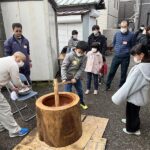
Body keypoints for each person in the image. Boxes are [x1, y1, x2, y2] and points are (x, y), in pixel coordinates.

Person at [112, 43, 150, 136]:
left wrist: (117, 97)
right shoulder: (147, 64)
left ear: (141, 55)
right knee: (134, 111)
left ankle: (133, 129)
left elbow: (129, 85)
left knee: (132, 112)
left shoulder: (140, 69)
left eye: (135, 55)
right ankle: (130, 121)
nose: (134, 57)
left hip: (136, 96)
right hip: (141, 95)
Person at [0, 52, 29, 137]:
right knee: (5, 109)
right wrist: (22, 86)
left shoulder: (5, 60)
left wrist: (13, 88)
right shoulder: (13, 64)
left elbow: (6, 77)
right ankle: (15, 131)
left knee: (1, 109)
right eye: (21, 60)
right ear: (17, 57)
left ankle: (1, 126)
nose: (22, 63)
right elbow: (16, 81)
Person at [106, 20, 135, 90]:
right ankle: (107, 85)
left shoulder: (132, 35)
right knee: (112, 71)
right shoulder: (117, 34)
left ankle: (121, 87)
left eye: (124, 27)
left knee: (123, 73)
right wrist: (116, 50)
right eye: (121, 26)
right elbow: (114, 43)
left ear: (127, 26)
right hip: (116, 56)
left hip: (125, 58)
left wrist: (128, 52)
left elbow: (133, 46)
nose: (123, 28)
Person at [61, 41, 88, 110]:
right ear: (76, 49)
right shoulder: (69, 55)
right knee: (67, 93)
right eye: (79, 52)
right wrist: (64, 78)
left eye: (82, 52)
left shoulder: (84, 57)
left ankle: (81, 102)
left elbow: (82, 68)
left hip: (76, 77)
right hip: (67, 77)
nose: (81, 54)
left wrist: (76, 78)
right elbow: (64, 67)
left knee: (80, 91)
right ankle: (69, 105)